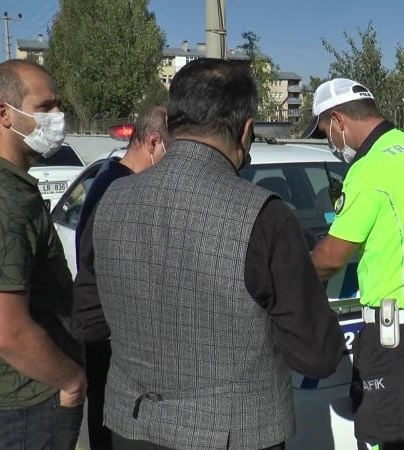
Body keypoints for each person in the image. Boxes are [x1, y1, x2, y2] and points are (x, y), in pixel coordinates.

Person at [92, 58, 344, 450]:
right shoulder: (264, 215)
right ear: (246, 130)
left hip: (132, 426)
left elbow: (90, 319)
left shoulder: (112, 197)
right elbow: (317, 355)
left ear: (173, 122)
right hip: (232, 435)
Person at [303, 78, 404, 449]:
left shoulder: (369, 168)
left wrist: (285, 285)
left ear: (339, 120)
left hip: (398, 339)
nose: (328, 141)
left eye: (325, 131)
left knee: (383, 439)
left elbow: (330, 259)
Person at [0, 59, 84, 449]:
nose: (58, 117)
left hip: (12, 401)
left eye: (59, 106)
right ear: (4, 114)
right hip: (25, 405)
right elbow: (9, 333)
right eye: (45, 108)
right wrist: (70, 380)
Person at [72, 106, 169, 450]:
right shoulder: (120, 187)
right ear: (154, 142)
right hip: (103, 325)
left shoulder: (113, 176)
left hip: (101, 318)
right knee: (109, 421)